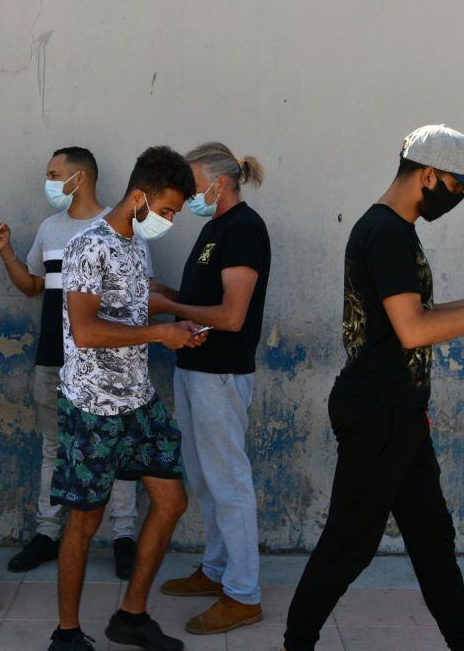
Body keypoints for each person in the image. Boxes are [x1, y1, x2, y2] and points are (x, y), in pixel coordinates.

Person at [282, 125, 464, 651]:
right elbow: (413, 331)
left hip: (398, 410)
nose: (460, 197)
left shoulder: (394, 230)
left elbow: (412, 316)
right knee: (351, 542)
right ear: (427, 174)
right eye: (456, 185)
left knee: (431, 538)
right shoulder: (386, 235)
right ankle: (297, 644)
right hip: (378, 411)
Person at [49, 146, 203, 651]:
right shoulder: (87, 246)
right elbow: (87, 331)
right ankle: (67, 633)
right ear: (139, 196)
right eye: (166, 210)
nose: (171, 220)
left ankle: (131, 616)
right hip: (92, 406)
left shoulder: (136, 244)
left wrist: (175, 323)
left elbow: (134, 312)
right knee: (85, 521)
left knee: (172, 500)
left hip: (138, 400)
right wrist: (161, 337)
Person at [0, 147, 140, 579]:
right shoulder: (51, 228)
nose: (48, 182)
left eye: (55, 174)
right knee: (54, 449)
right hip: (54, 360)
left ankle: (124, 536)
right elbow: (34, 285)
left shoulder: (120, 226)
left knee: (118, 452)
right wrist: (5, 251)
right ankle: (46, 534)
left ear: (81, 178)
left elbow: (138, 296)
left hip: (108, 366)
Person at [152, 143, 271, 634]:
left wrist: (173, 309)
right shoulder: (212, 228)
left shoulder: (244, 229)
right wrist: (166, 295)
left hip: (220, 374)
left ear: (217, 184)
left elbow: (230, 316)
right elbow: (203, 300)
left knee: (229, 484)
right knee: (204, 479)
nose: (186, 192)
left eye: (191, 181)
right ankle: (217, 570)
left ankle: (243, 595)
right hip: (194, 370)